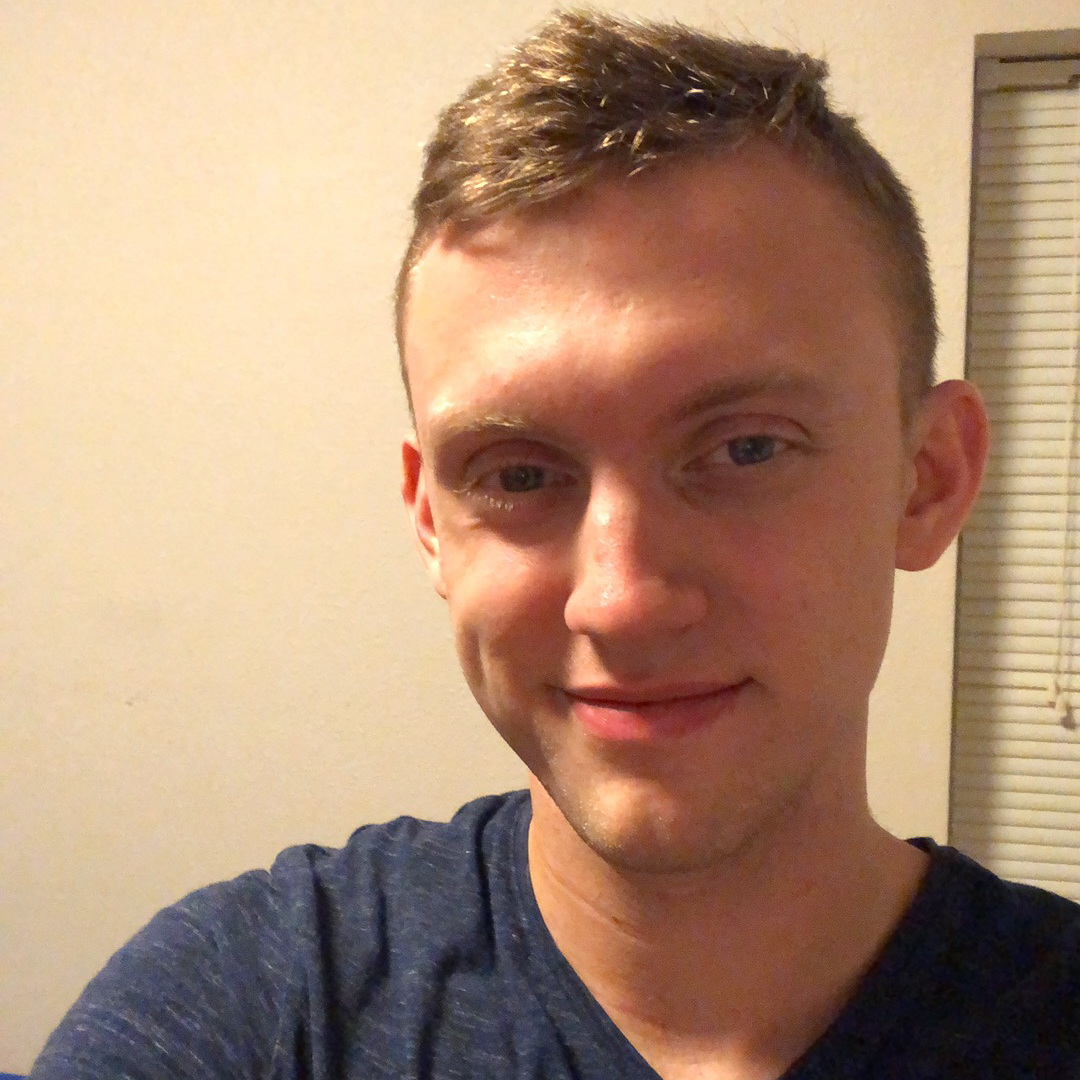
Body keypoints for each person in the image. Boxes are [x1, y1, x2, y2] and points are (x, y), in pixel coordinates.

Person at [31, 9, 1080, 1080]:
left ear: (928, 477)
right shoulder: (253, 1007)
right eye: (519, 475)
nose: (620, 601)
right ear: (432, 521)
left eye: (747, 448)